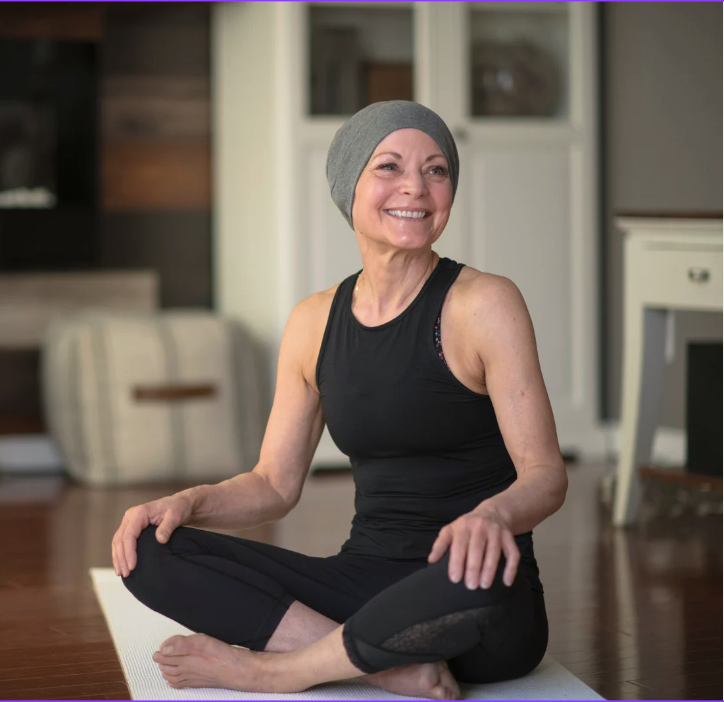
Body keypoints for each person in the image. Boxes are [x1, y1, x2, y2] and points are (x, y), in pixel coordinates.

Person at [111, 100, 568, 700]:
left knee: (470, 585)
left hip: (470, 590)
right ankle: (383, 664)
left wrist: (494, 517)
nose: (416, 187)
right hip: (364, 584)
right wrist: (187, 502)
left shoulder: (484, 304)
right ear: (349, 186)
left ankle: (276, 671)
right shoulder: (313, 321)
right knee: (148, 550)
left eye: (436, 170)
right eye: (389, 167)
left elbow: (546, 475)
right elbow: (274, 485)